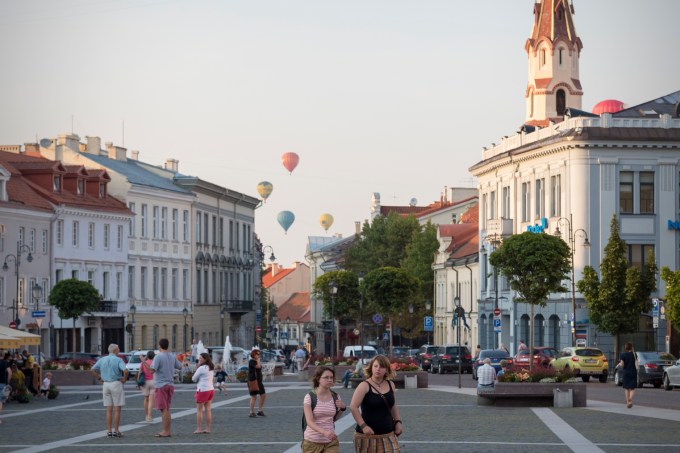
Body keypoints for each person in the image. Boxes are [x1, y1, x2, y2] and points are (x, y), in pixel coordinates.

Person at [349, 355, 402, 452]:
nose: (378, 369)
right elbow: (353, 407)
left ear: (386, 369)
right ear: (371, 367)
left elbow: (393, 405)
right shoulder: (364, 385)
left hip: (388, 433)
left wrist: (398, 422)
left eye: (382, 367)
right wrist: (363, 426)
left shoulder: (391, 385)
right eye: (375, 366)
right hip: (367, 435)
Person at [302, 366, 347, 452]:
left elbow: (333, 419)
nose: (330, 380)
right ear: (318, 379)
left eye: (331, 377)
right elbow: (309, 422)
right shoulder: (310, 397)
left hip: (330, 442)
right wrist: (324, 432)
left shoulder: (336, 396)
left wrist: (343, 408)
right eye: (326, 377)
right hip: (312, 442)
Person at [91, 343, 128, 438]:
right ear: (115, 350)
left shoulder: (102, 359)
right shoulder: (118, 359)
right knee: (117, 409)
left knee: (108, 409)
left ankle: (108, 431)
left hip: (106, 384)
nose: (119, 350)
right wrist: (124, 379)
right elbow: (126, 370)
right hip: (116, 383)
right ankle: (116, 431)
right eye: (118, 349)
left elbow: (93, 369)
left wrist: (99, 378)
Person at [150, 338, 182, 437]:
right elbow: (180, 366)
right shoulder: (172, 356)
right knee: (167, 409)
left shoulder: (158, 356)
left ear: (159, 346)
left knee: (163, 409)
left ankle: (165, 431)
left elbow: (152, 370)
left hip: (161, 385)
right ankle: (168, 431)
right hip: (170, 385)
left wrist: (143, 362)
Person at [192, 352, 215, 434]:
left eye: (201, 358)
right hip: (210, 389)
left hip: (203, 390)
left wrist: (197, 368)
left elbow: (193, 379)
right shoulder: (211, 367)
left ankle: (199, 429)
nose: (199, 359)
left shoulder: (201, 368)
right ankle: (208, 429)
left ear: (205, 359)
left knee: (199, 410)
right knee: (208, 409)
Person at [248, 349, 267, 417]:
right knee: (254, 397)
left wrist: (258, 360)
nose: (259, 355)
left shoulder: (256, 361)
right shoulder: (251, 361)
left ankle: (260, 410)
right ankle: (251, 412)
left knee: (263, 395)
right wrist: (258, 360)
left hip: (259, 382)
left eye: (259, 354)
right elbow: (258, 367)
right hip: (253, 381)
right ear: (253, 354)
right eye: (257, 354)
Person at [619, 342, 638, 408]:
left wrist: (621, 364)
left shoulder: (623, 355)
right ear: (631, 347)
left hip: (626, 373)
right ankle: (630, 398)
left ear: (625, 348)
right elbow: (636, 363)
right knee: (633, 388)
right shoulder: (634, 354)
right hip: (633, 372)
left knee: (627, 388)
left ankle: (628, 402)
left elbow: (621, 364)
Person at [140, 351, 156, 422]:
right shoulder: (154, 363)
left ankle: (146, 416)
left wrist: (138, 382)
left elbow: (140, 372)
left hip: (145, 382)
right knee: (151, 399)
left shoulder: (143, 363)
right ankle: (150, 416)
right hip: (153, 381)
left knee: (145, 399)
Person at [0, 352, 12, 424]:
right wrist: (8, 381)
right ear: (3, 356)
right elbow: (10, 373)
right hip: (3, 383)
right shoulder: (5, 362)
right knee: (1, 401)